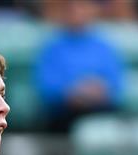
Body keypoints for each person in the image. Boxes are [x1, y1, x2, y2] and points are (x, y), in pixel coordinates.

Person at [34, 0, 125, 132]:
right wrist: (73, 93)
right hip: (64, 113)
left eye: (82, 7)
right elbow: (46, 86)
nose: (77, 12)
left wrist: (97, 91)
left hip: (100, 111)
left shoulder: (105, 47)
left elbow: (116, 85)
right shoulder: (52, 47)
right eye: (72, 8)